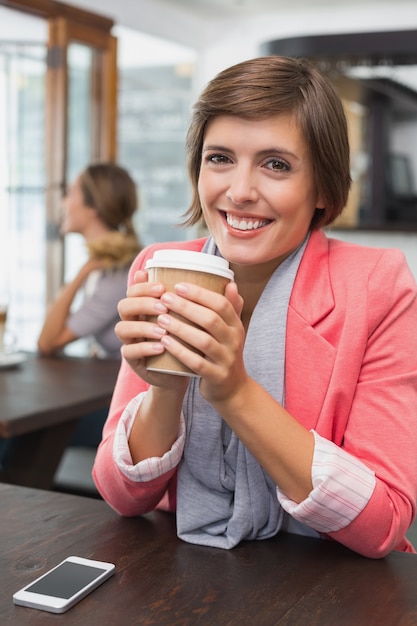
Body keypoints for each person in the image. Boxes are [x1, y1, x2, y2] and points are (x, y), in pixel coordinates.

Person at [92, 56, 417, 557]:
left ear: (323, 189)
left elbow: (383, 525)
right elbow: (122, 497)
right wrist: (166, 387)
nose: (239, 192)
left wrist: (233, 390)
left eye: (276, 164)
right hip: (188, 577)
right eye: (219, 158)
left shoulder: (376, 284)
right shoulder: (160, 266)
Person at [38, 162, 141, 359]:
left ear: (93, 206)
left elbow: (47, 342)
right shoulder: (105, 264)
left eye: (70, 193)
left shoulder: (118, 273)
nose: (62, 203)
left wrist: (82, 273)